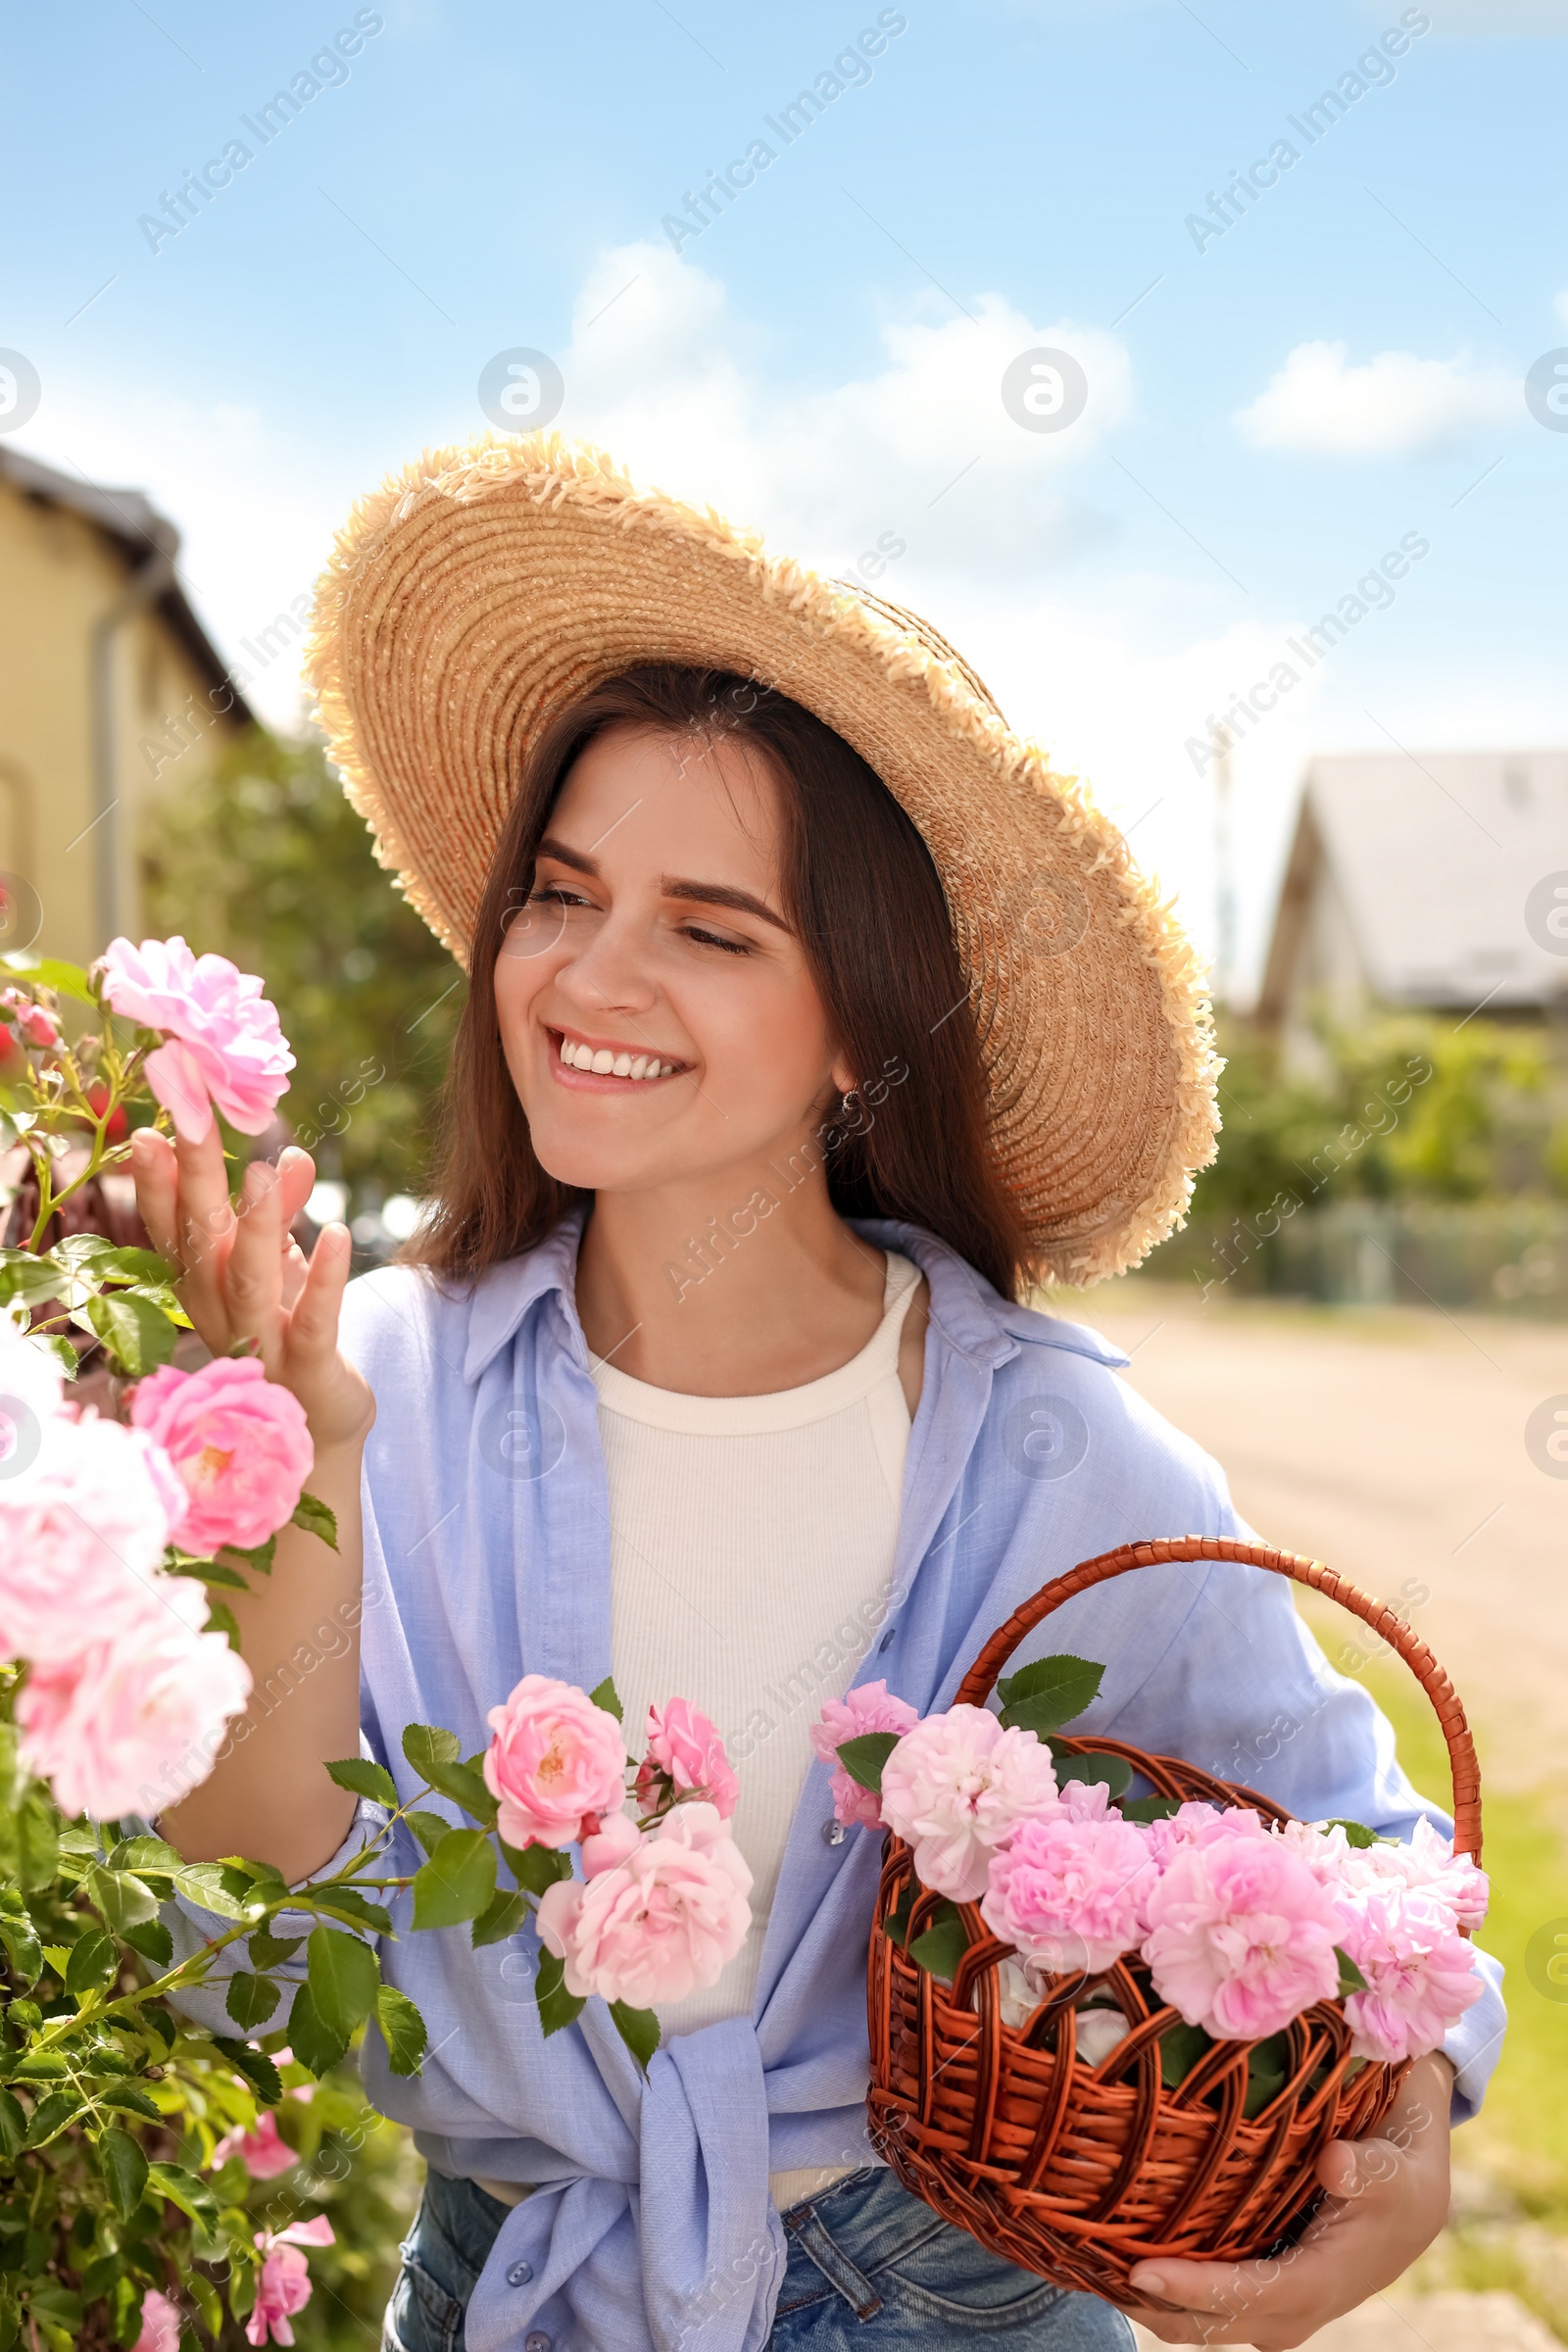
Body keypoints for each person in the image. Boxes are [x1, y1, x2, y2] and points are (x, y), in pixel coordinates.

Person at [130, 434, 1503, 2352]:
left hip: (950, 2301)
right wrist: (298, 1472)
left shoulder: (1053, 1451)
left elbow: (1372, 1854)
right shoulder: (385, 1381)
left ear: (859, 1019)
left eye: (708, 927)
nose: (587, 977)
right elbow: (270, 1915)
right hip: (513, 2291)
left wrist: (1411, 2132)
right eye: (558, 892)